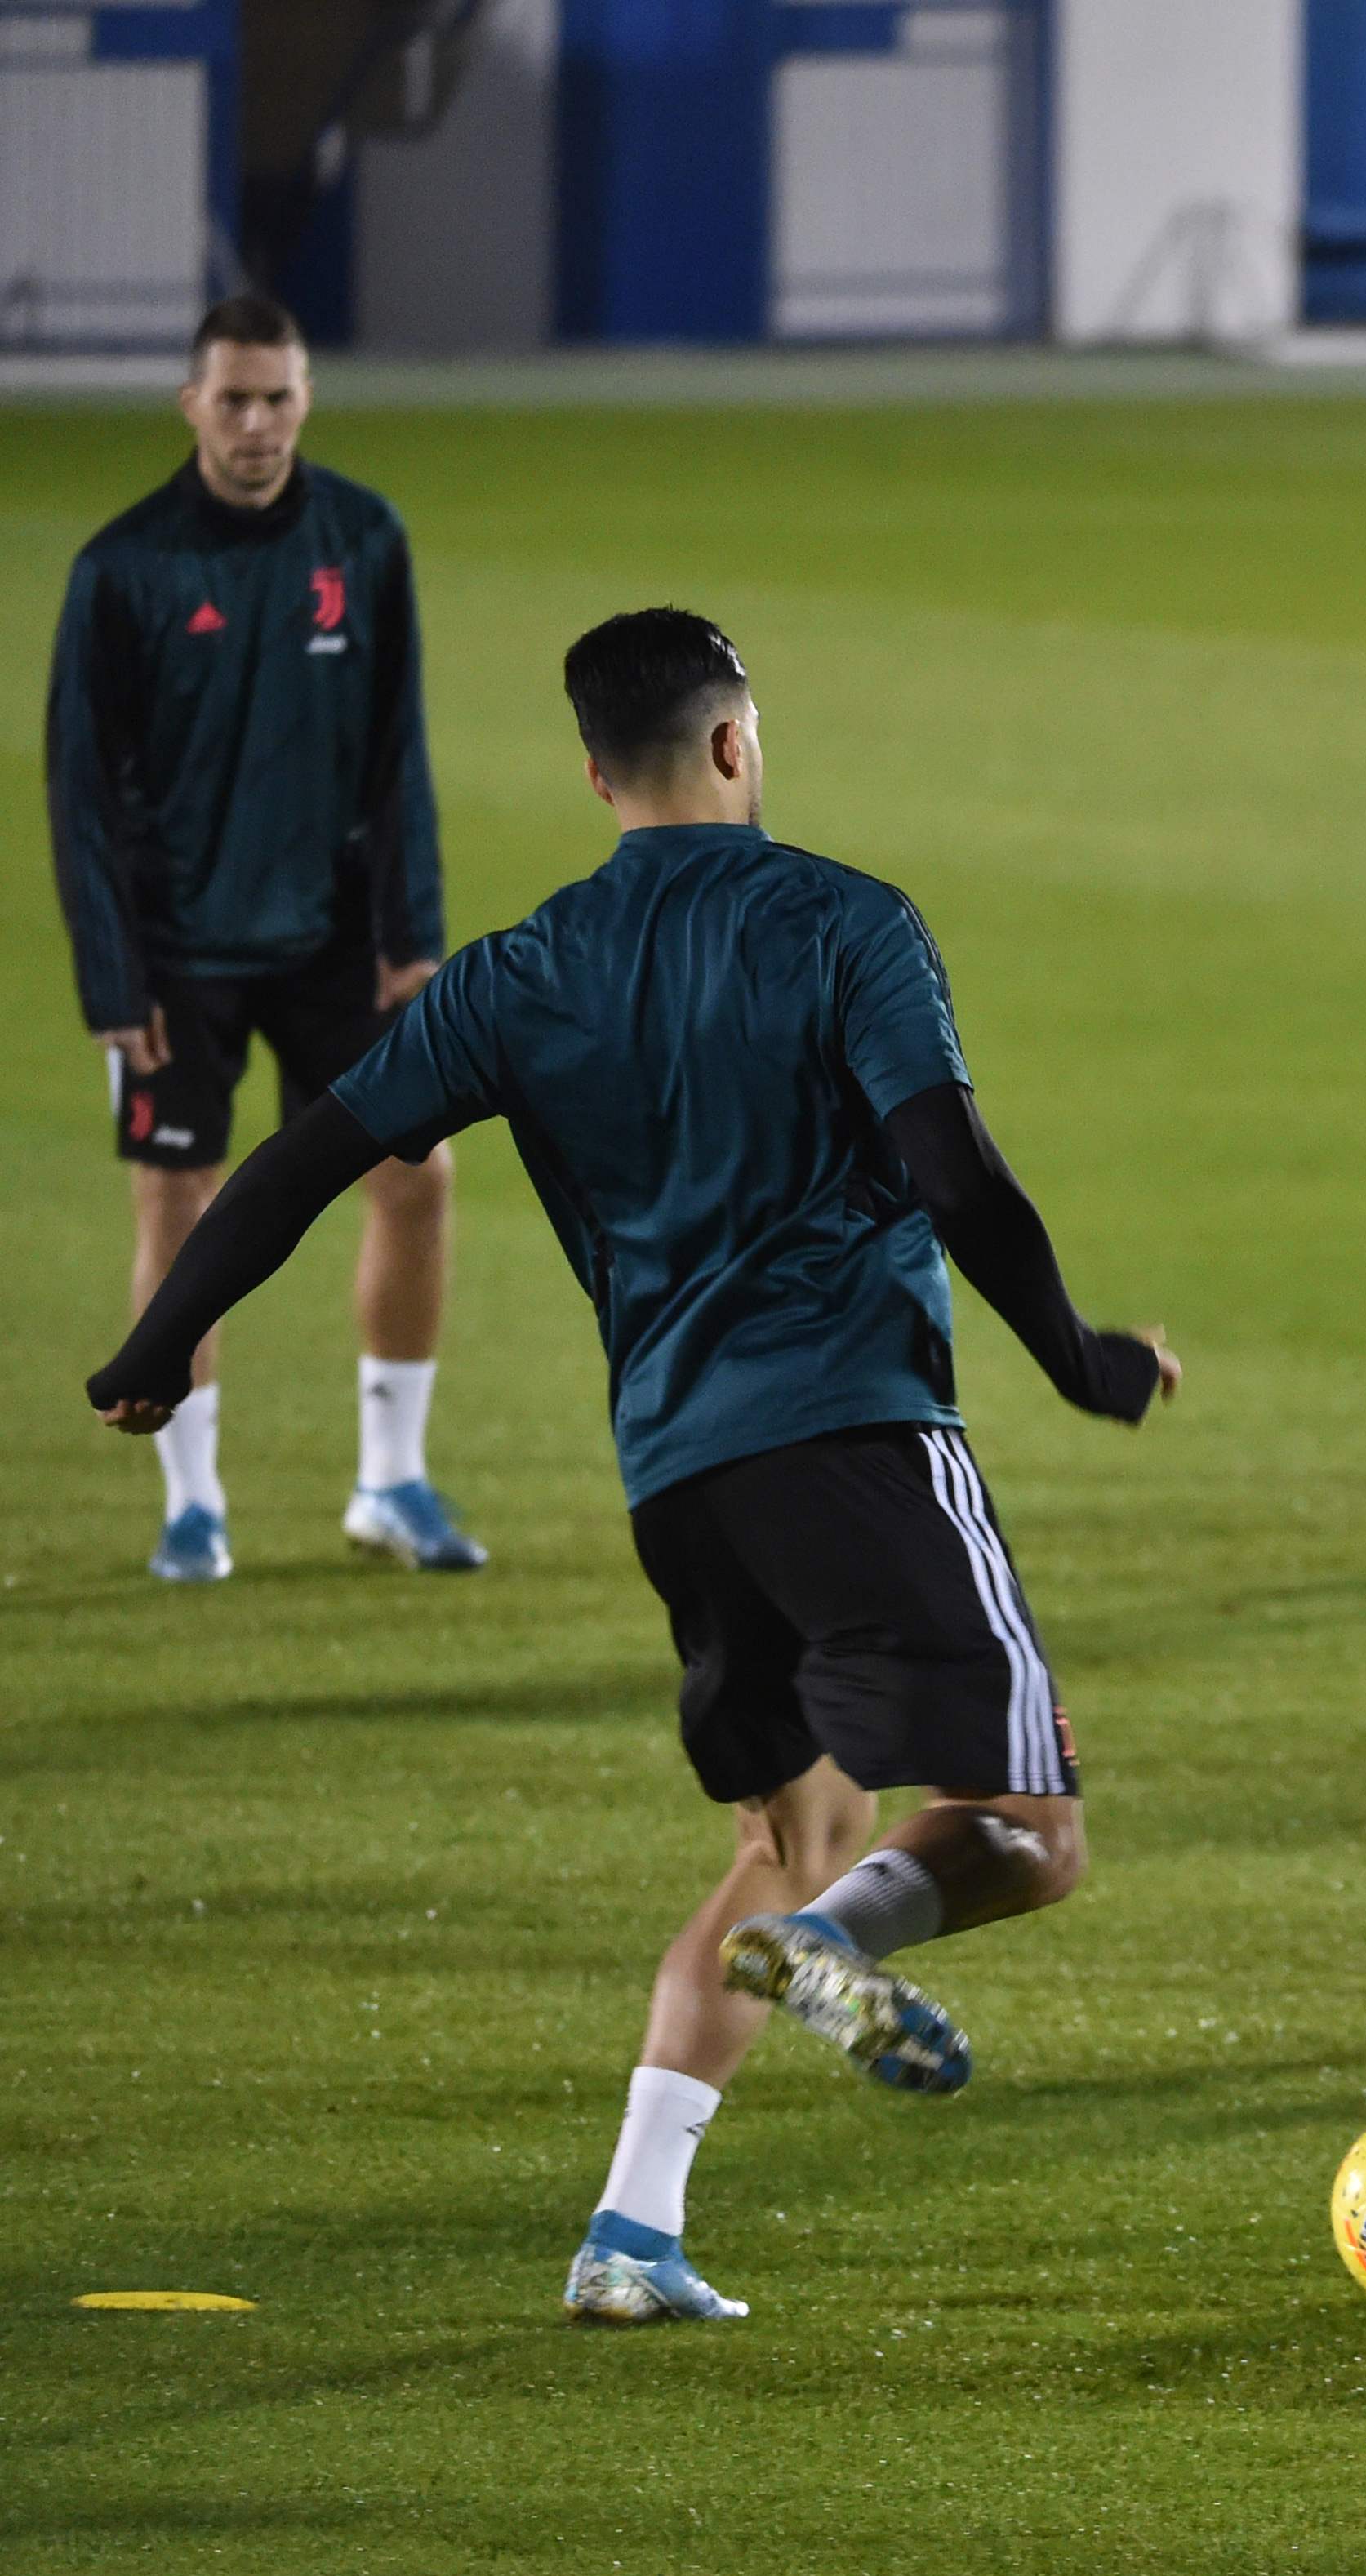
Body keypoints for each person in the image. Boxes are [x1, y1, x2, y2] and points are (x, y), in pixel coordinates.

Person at [84, 611, 1177, 2321]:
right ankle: (833, 1955)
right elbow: (952, 1171)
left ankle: (633, 2230)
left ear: (595, 772)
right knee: (1032, 1829)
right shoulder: (843, 920)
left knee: (796, 1836)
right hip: (855, 1431)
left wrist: (162, 1343)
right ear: (737, 745)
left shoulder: (522, 971)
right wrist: (1082, 1358)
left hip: (681, 1476)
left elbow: (307, 1159)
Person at [48, 292, 474, 1581]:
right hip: (177, 950)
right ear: (190, 406)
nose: (255, 423)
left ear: (306, 398)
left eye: (277, 396)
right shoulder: (125, 567)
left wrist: (413, 931)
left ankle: (390, 1482)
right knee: (177, 1197)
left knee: (419, 1177)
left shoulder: (364, 537)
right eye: (231, 399)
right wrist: (114, 978)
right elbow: (80, 785)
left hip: (337, 941)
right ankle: (193, 1504)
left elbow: (398, 745)